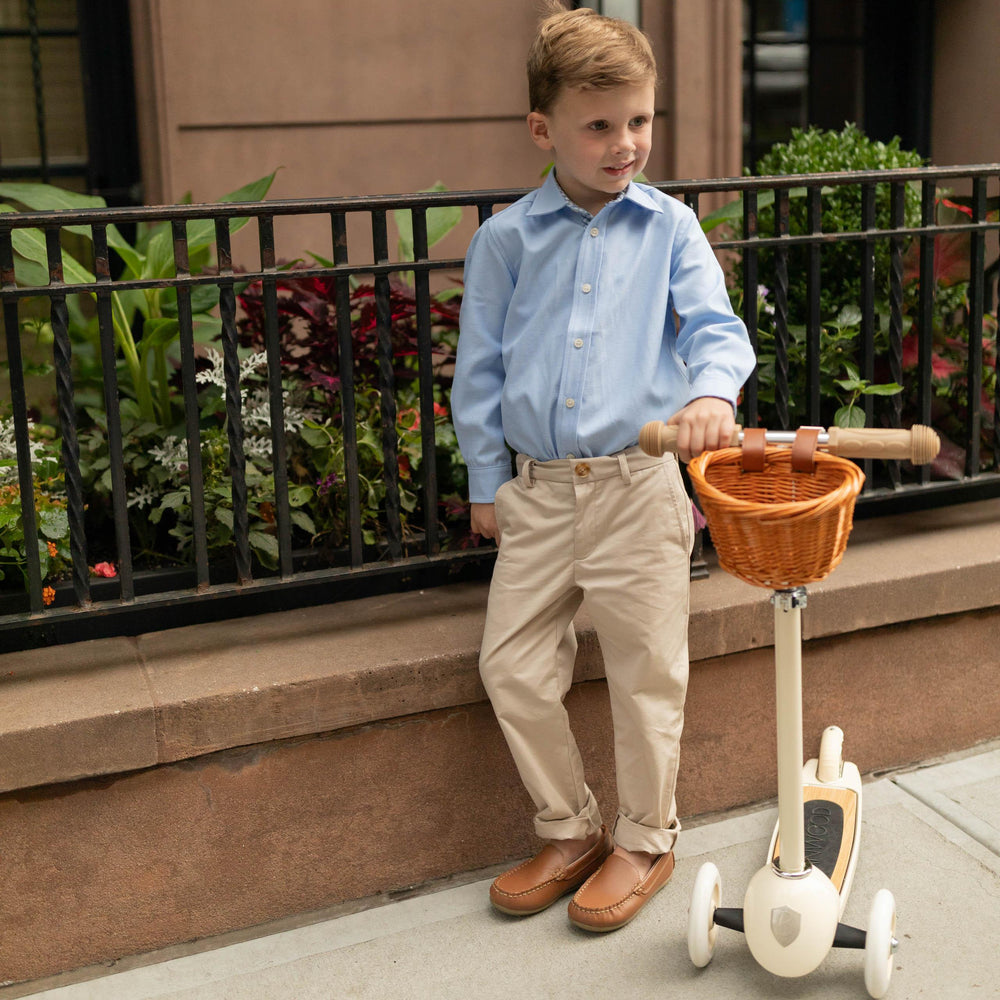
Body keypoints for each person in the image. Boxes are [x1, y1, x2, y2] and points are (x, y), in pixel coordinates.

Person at [450, 2, 755, 932]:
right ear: (543, 129)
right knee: (511, 666)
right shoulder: (505, 241)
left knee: (646, 673)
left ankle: (646, 840)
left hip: (638, 488)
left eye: (640, 122)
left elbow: (717, 332)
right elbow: (480, 369)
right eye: (600, 125)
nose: (625, 143)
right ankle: (570, 828)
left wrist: (712, 397)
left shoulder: (670, 231)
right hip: (537, 494)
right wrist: (482, 480)